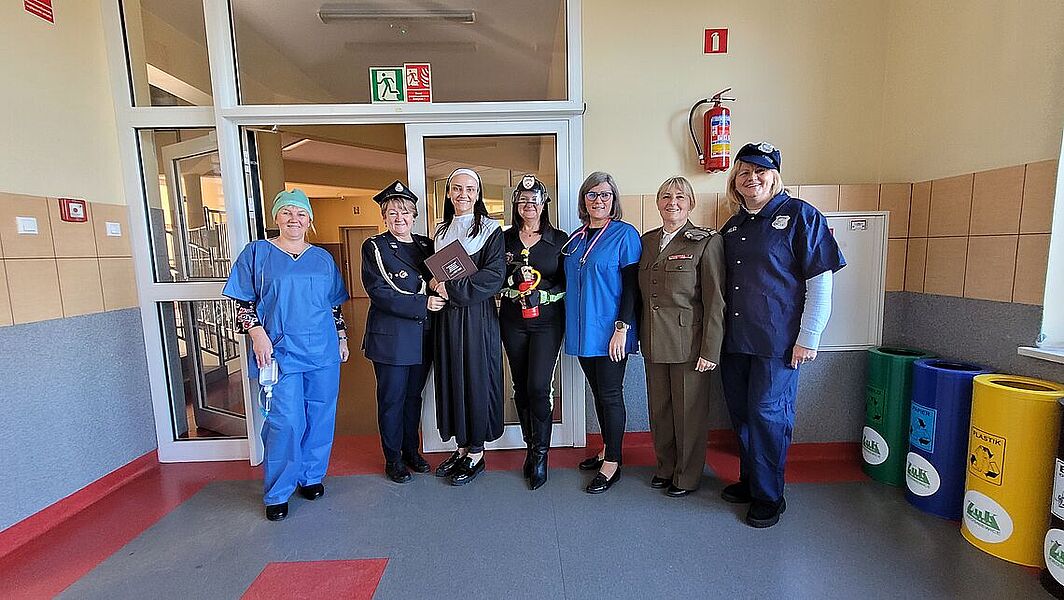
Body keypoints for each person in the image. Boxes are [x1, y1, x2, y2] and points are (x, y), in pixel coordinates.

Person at [718, 142, 846, 528]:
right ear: (735, 181)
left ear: (774, 176)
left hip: (779, 343)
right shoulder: (734, 226)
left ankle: (770, 496)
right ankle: (751, 480)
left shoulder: (801, 216)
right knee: (742, 413)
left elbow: (820, 283)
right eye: (744, 172)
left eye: (760, 171)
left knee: (768, 415)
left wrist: (810, 336)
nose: (752, 178)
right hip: (735, 340)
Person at [223, 189, 350, 522]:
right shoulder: (257, 253)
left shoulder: (322, 258)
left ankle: (311, 475)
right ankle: (279, 490)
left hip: (322, 349)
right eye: (287, 212)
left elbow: (333, 305)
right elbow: (242, 301)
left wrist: (341, 337)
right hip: (279, 351)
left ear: (310, 220)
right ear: (276, 217)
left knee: (321, 415)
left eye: (301, 213)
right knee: (286, 421)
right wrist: (256, 334)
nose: (294, 219)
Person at [637, 176, 726, 498]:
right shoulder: (647, 241)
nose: (672, 202)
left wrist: (710, 350)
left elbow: (715, 301)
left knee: (689, 415)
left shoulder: (706, 242)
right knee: (660, 411)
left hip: (689, 345)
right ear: (658, 203)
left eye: (679, 197)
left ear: (690, 203)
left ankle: (686, 476)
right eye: (665, 196)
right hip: (653, 340)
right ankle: (665, 467)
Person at [562, 171, 641, 494]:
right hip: (583, 332)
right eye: (592, 194)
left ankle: (613, 462)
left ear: (614, 200)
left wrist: (622, 328)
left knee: (610, 394)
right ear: (584, 200)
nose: (598, 200)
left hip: (611, 332)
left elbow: (632, 288)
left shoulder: (625, 234)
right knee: (598, 393)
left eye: (605, 194)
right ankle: (607, 448)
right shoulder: (575, 238)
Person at [361, 181, 444, 484]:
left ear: (414, 215)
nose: (400, 218)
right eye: (393, 212)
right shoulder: (375, 246)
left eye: (405, 212)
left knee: (413, 398)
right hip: (392, 339)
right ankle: (393, 458)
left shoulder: (426, 245)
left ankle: (411, 450)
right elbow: (380, 292)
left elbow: (442, 277)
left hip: (423, 336)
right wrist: (424, 303)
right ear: (384, 216)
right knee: (392, 399)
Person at [430, 168, 507, 486]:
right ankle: (461, 446)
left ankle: (476, 451)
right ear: (449, 193)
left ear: (478, 194)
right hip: (447, 320)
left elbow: (494, 276)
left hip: (477, 318)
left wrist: (450, 288)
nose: (463, 194)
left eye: (470, 189)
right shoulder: (440, 231)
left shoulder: (491, 230)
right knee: (452, 377)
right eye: (457, 188)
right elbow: (434, 273)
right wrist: (433, 283)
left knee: (475, 377)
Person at [499, 174, 567, 490]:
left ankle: (541, 454)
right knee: (520, 386)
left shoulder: (560, 240)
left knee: (539, 386)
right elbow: (492, 277)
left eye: (534, 200)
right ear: (516, 205)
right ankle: (530, 447)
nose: (528, 205)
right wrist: (510, 282)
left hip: (547, 323)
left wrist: (546, 294)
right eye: (523, 200)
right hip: (513, 321)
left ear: (544, 205)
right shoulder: (503, 240)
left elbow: (568, 282)